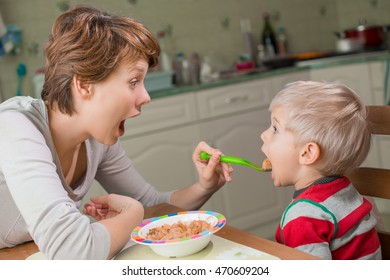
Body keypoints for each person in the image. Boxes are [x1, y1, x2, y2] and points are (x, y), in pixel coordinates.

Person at [0, 6, 232, 260]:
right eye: (133, 82)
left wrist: (204, 187)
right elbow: (72, 253)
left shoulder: (96, 141)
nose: (146, 97)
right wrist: (132, 214)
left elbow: (151, 205)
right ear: (85, 85)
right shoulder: (15, 126)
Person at [260, 81, 381, 260]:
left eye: (275, 128)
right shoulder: (346, 190)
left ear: (307, 153)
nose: (263, 134)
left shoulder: (302, 217)